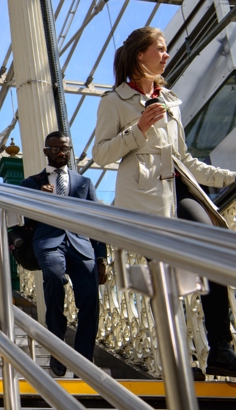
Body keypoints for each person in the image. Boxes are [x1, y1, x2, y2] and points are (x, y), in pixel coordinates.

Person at [93, 27, 236, 377]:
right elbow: (101, 154)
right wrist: (138, 128)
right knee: (167, 279)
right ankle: (179, 359)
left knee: (213, 252)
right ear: (141, 55)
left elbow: (186, 160)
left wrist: (230, 178)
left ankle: (220, 347)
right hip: (145, 200)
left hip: (180, 191)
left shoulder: (170, 100)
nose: (166, 55)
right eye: (160, 49)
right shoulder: (114, 100)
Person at [21, 131, 108, 377]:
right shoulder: (31, 183)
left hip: (82, 245)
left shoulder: (84, 183)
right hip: (48, 242)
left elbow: (96, 222)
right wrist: (40, 199)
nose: (63, 153)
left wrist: (101, 257)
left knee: (90, 300)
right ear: (46, 151)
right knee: (55, 278)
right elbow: (22, 220)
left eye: (66, 148)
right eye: (57, 148)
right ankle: (57, 349)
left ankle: (83, 358)